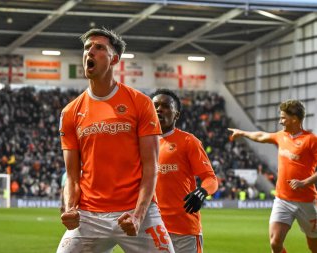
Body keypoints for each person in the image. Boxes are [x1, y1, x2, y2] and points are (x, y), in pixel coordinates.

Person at [56, 28, 174, 253]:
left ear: (114, 59)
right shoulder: (70, 112)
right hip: (89, 215)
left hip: (138, 210)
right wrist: (71, 208)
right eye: (87, 48)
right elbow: (72, 175)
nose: (90, 52)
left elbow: (151, 167)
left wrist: (139, 215)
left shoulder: (140, 103)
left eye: (99, 48)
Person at [228, 99, 317, 253]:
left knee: (314, 246)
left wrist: (305, 182)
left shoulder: (311, 140)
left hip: (307, 202)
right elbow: (262, 136)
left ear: (294, 119)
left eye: (283, 118)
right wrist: (242, 133)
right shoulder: (281, 136)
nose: (280, 121)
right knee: (275, 243)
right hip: (282, 200)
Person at [151, 89, 218, 253]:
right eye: (155, 106)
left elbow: (210, 178)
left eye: (165, 106)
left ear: (176, 115)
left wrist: (202, 191)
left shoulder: (189, 141)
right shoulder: (142, 144)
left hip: (184, 228)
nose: (159, 109)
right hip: (152, 227)